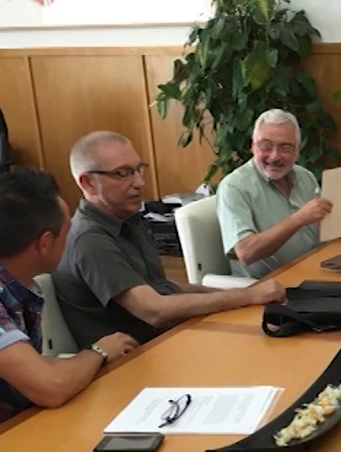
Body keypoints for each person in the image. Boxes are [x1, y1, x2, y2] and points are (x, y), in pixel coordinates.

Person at [0, 167, 140, 452]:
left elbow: (38, 371)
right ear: (45, 243)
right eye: (66, 233)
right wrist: (98, 352)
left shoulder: (4, 282)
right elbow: (49, 387)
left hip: (9, 435)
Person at [53, 131, 287, 348]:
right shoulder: (90, 240)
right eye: (122, 173)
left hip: (169, 338)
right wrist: (246, 296)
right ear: (88, 183)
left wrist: (244, 295)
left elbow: (163, 288)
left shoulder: (127, 218)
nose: (139, 183)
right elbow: (155, 310)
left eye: (138, 169)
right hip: (131, 362)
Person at [216, 109, 341, 279]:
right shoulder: (234, 187)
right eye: (265, 145)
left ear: (297, 151)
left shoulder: (304, 176)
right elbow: (246, 253)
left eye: (285, 147)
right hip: (268, 286)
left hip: (315, 272)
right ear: (252, 146)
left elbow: (325, 229)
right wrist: (299, 218)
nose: (274, 156)